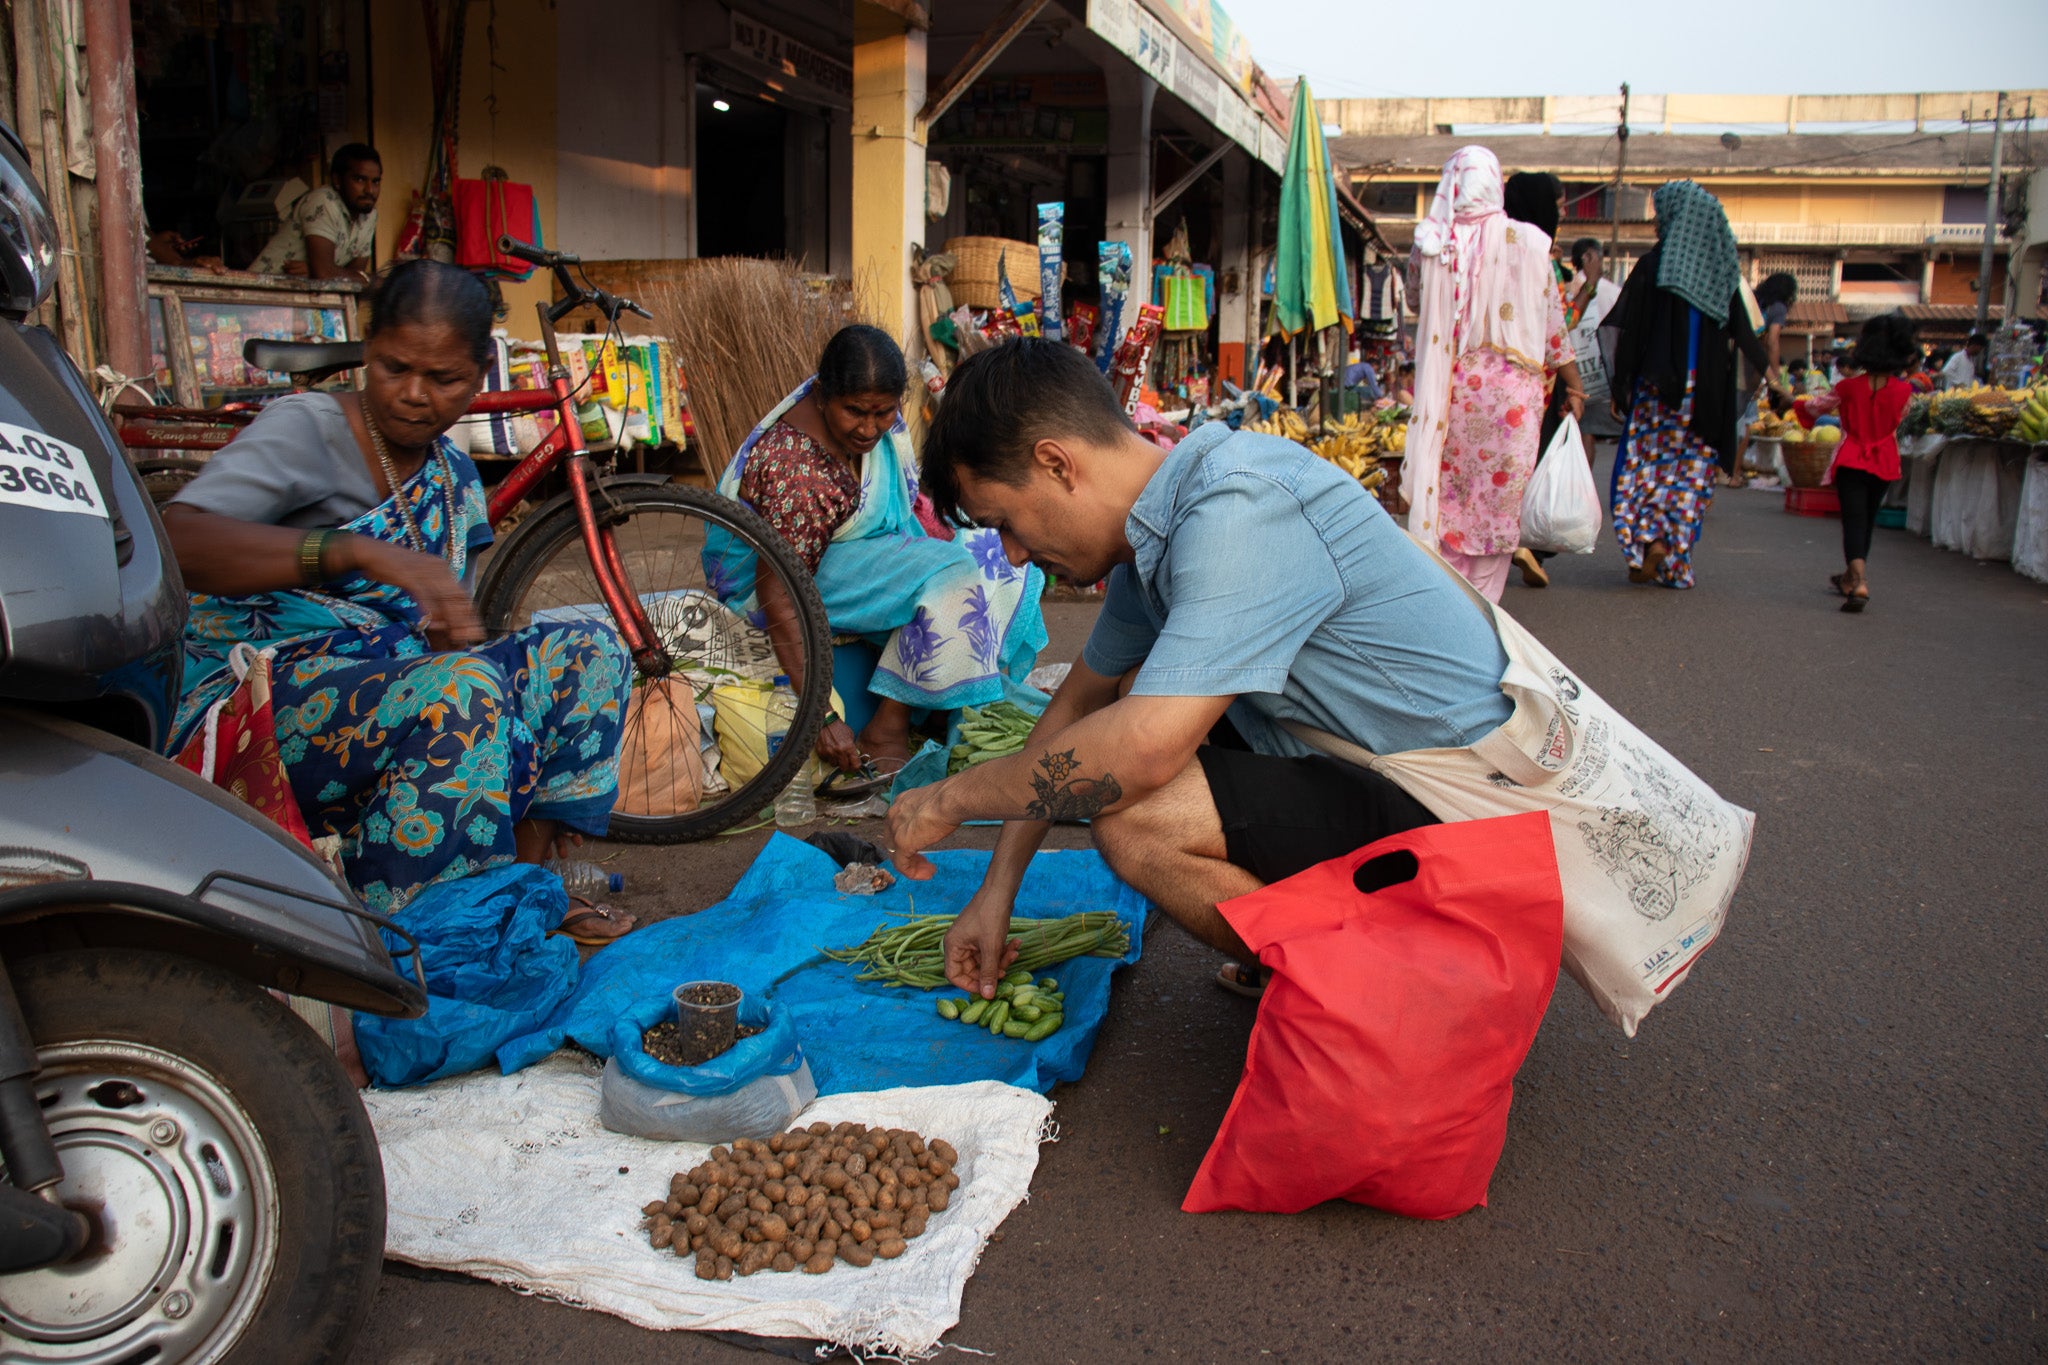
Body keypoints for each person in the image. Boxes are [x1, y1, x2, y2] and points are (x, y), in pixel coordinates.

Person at [893, 338, 1514, 999]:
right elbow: (1074, 706)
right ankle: (1333, 937)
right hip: (1390, 783)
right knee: (1131, 691)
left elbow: (1143, 751)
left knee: (1132, 812)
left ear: (1057, 464)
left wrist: (951, 797)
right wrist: (997, 892)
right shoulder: (1154, 539)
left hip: (1476, 823)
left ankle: (1395, 995)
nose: (1013, 556)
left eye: (1005, 523)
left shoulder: (1239, 510)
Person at [161, 261, 634, 920]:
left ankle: (517, 898)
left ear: (480, 373)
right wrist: (353, 551)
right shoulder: (310, 429)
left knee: (590, 655)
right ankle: (416, 931)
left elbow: (438, 644)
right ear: (368, 349)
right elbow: (178, 539)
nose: (414, 394)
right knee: (460, 691)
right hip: (257, 703)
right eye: (393, 368)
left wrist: (452, 643)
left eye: (443, 379)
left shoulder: (454, 478)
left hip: (386, 691)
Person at [712, 325, 1048, 791]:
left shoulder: (867, 427)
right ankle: (889, 723)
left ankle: (949, 699)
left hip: (842, 549)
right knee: (952, 575)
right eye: (854, 412)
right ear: (823, 395)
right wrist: (820, 716)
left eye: (883, 412)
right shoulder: (800, 473)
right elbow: (779, 593)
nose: (869, 429)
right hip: (770, 576)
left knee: (994, 551)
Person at [1402, 148, 1584, 603]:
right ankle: (1482, 615)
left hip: (1452, 397)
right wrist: (1576, 386)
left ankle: (1447, 610)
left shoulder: (1432, 242)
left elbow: (1414, 301)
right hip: (1514, 406)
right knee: (1497, 517)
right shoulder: (1533, 242)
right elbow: (1554, 330)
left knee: (1450, 511)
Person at [1600, 181, 1770, 589]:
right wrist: (1768, 379)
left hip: (1656, 391)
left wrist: (1621, 385)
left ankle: (1646, 540)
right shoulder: (1723, 273)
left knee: (1646, 466)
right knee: (1690, 473)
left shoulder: (1653, 266)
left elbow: (1629, 331)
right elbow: (1746, 337)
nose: (1656, 223)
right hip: (1705, 396)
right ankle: (1673, 555)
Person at [1503, 171, 1588, 590]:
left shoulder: (1485, 247)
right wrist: (1576, 387)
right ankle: (1522, 541)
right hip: (1533, 383)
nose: (1562, 213)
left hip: (1477, 382)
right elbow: (1558, 329)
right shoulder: (1541, 256)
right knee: (1528, 465)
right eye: (1557, 205)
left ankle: (1500, 544)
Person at [1825, 313, 1917, 613]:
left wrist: (1793, 401)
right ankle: (1850, 578)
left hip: (1851, 458)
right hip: (1884, 461)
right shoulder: (1904, 391)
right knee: (1866, 521)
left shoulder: (1847, 387)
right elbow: (1900, 418)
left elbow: (1817, 406)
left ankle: (1859, 581)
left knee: (1853, 520)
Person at [249, 143, 382, 280]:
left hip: (300, 291)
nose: (369, 190)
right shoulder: (324, 201)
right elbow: (325, 274)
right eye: (360, 180)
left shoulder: (369, 215)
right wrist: (321, 272)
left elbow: (355, 277)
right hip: (259, 289)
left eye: (376, 181)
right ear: (337, 180)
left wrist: (318, 271)